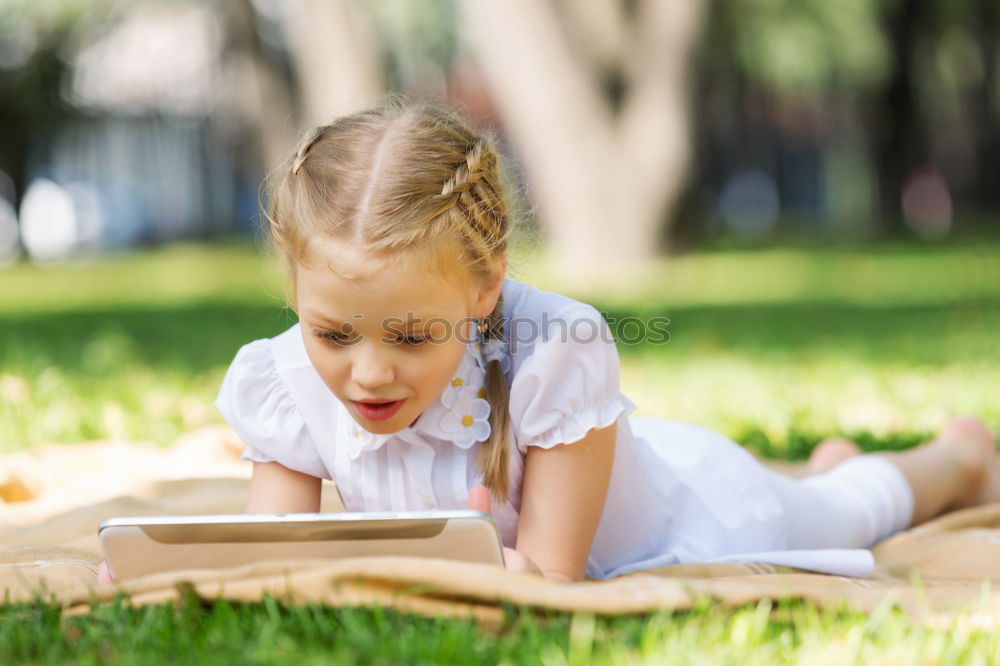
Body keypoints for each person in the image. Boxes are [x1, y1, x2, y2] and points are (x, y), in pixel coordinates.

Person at [97, 100, 1000, 585]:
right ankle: (825, 464)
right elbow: (279, 559)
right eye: (332, 331)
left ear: (484, 285)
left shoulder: (551, 351)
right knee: (818, 484)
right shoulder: (286, 378)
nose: (367, 372)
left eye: (413, 335)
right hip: (637, 464)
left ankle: (951, 458)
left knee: (845, 512)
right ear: (295, 294)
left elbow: (549, 575)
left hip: (695, 513)